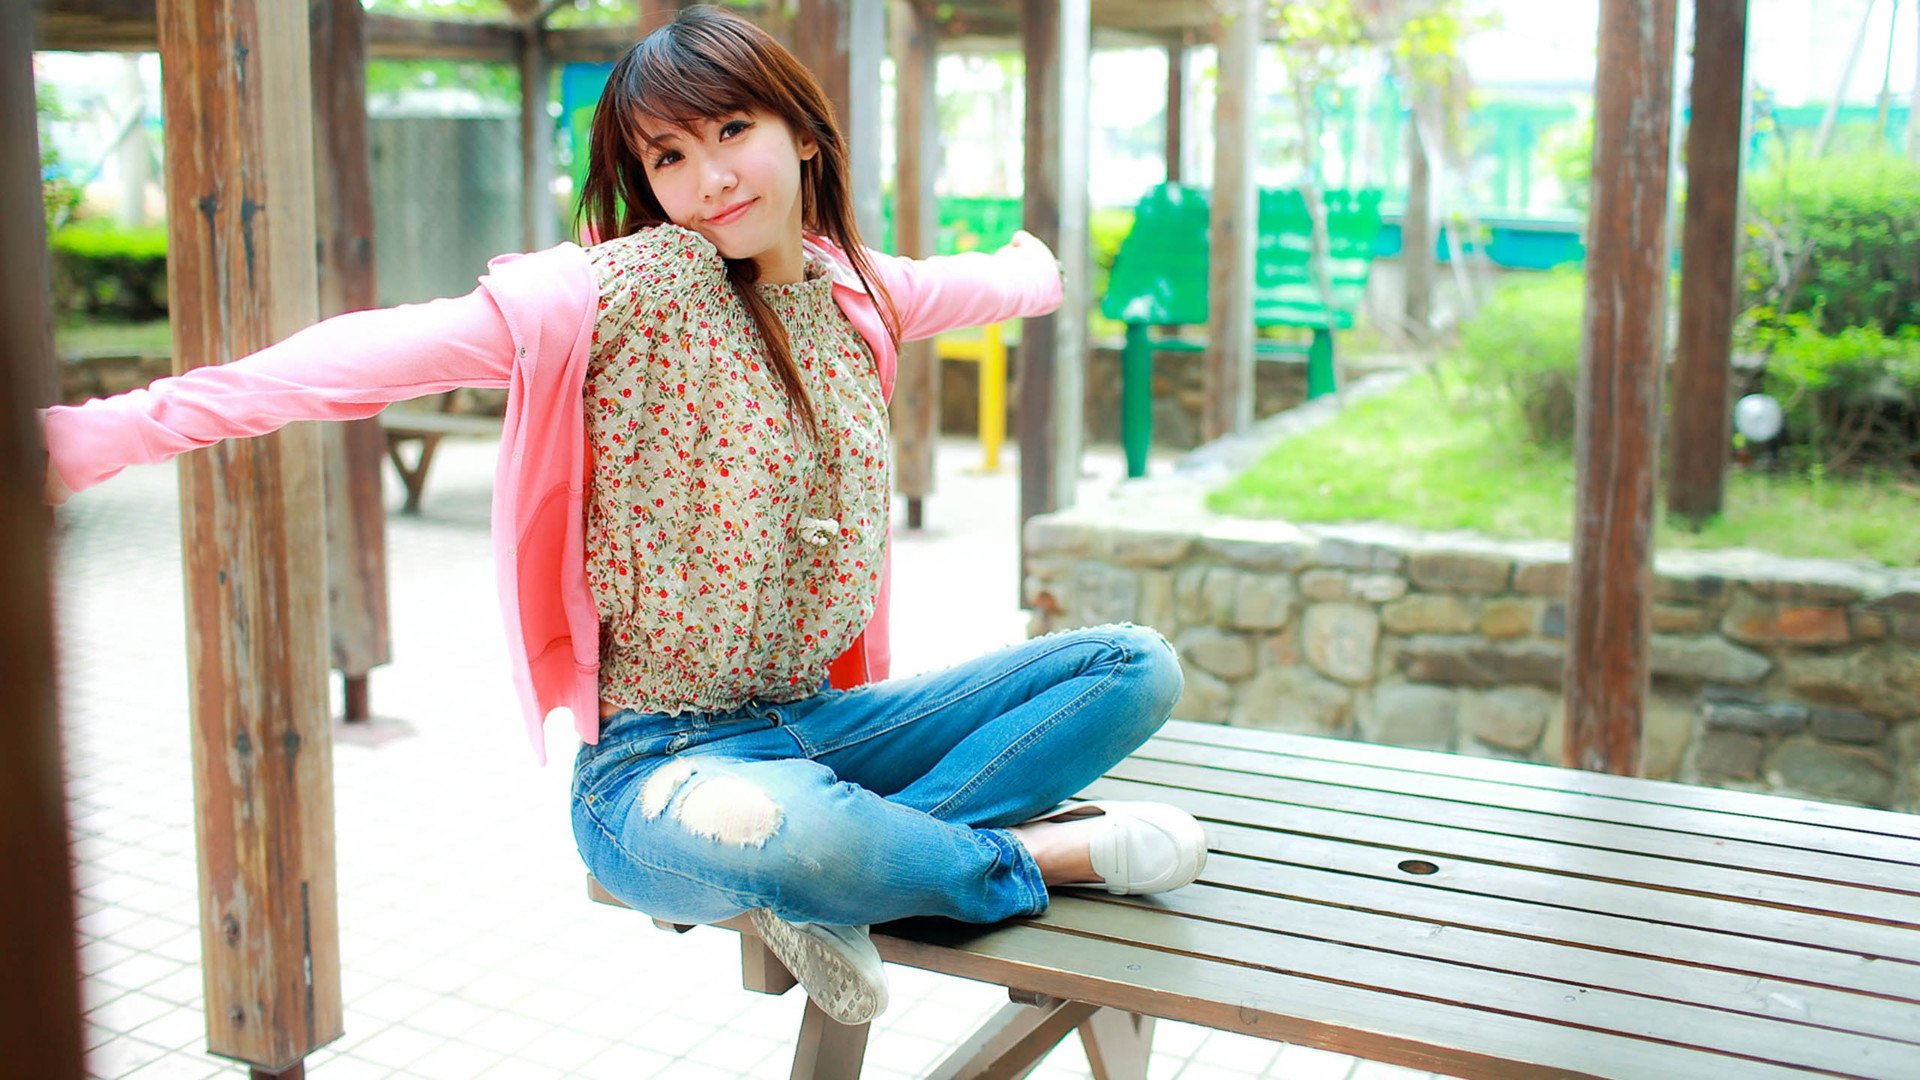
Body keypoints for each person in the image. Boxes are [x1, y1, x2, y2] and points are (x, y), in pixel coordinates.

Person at [41, 5, 1205, 1027]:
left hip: (818, 724)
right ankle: (1020, 860)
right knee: (804, 831)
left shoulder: (860, 291)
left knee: (1132, 667)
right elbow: (363, 357)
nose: (711, 178)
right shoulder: (614, 297)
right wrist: (96, 436)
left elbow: (989, 281)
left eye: (733, 130)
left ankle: (841, 881)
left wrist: (1041, 267)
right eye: (670, 155)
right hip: (656, 765)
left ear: (803, 132)